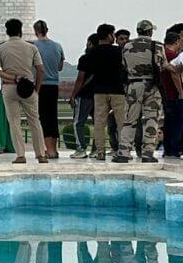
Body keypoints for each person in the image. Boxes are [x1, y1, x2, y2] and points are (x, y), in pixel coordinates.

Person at [0, 18, 47, 164]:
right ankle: (41, 154)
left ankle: (20, 155)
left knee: (14, 122)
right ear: (21, 31)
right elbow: (40, 70)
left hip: (9, 87)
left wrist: (11, 77)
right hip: (28, 87)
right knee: (34, 121)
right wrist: (37, 88)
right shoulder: (31, 47)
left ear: (7, 32)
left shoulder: (0, 48)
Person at [76, 24, 128, 161]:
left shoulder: (92, 53)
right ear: (109, 35)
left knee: (99, 122)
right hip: (117, 90)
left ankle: (100, 152)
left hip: (99, 91)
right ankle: (122, 150)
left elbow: (87, 72)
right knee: (121, 122)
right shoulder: (119, 51)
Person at [121, 20, 165, 163]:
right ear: (150, 31)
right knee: (151, 119)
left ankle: (124, 151)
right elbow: (162, 65)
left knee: (130, 119)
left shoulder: (127, 46)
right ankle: (148, 152)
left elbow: (124, 66)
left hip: (133, 85)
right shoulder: (157, 46)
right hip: (152, 85)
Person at [31, 20, 65, 160]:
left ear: (35, 31)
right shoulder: (57, 46)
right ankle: (54, 149)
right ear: (47, 29)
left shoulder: (33, 46)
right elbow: (60, 67)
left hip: (40, 85)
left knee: (42, 118)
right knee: (52, 116)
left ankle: (47, 150)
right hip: (54, 85)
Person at [68, 34, 99, 158]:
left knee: (78, 123)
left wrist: (73, 95)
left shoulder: (85, 58)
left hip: (85, 94)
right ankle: (96, 150)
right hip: (99, 94)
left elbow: (80, 79)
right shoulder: (102, 59)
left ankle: (81, 149)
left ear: (90, 43)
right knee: (99, 123)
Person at [163, 25, 183, 159]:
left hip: (166, 95)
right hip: (175, 95)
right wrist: (181, 91)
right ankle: (174, 149)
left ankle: (169, 149)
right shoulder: (174, 55)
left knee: (170, 122)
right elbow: (174, 73)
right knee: (177, 123)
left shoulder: (161, 54)